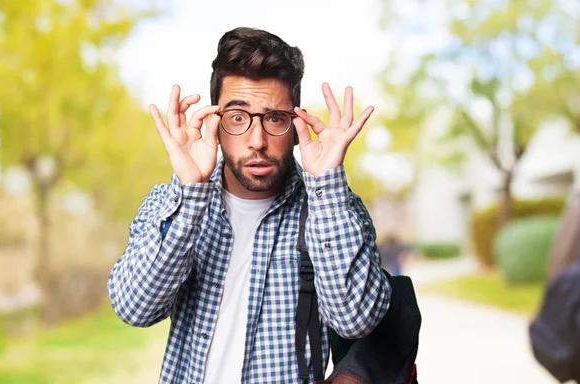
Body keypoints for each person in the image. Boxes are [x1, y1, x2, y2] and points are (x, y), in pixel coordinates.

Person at [107, 27, 391, 384]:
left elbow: (355, 320)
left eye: (274, 118)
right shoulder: (172, 202)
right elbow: (135, 308)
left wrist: (327, 184)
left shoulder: (334, 209)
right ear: (215, 122)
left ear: (295, 123)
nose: (257, 141)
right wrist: (191, 190)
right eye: (238, 118)